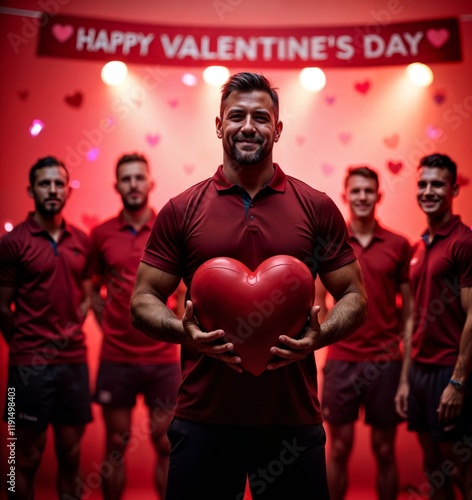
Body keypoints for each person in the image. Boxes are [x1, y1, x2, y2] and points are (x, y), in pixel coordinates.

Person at [129, 72, 367, 500]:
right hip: (204, 417)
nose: (248, 126)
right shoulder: (181, 209)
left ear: (277, 129)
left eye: (261, 117)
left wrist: (320, 336)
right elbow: (142, 299)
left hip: (291, 421)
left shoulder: (316, 207)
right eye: (236, 116)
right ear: (219, 125)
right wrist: (184, 332)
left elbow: (354, 296)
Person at [394, 153, 472, 499]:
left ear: (453, 189)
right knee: (433, 470)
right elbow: (411, 318)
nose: (428, 191)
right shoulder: (419, 246)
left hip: (449, 372)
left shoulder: (467, 245)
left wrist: (458, 381)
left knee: (461, 470)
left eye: (437, 184)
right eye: (422, 184)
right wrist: (406, 380)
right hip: (420, 372)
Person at [0, 156, 93, 499]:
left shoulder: (83, 241)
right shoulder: (13, 243)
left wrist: (68, 333)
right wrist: (25, 347)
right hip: (27, 369)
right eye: (44, 183)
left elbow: (86, 299)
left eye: (58, 183)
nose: (52, 190)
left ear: (67, 189)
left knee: (71, 456)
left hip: (74, 364)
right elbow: (1, 306)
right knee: (21, 458)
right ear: (31, 190)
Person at [317, 166, 412, 500]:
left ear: (378, 196)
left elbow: (410, 312)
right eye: (355, 191)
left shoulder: (400, 245)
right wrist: (328, 337)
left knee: (385, 451)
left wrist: (403, 366)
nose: (361, 197)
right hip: (342, 362)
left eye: (368, 191)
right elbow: (318, 306)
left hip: (386, 362)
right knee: (338, 449)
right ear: (345, 196)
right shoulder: (330, 244)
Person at [90, 153, 182, 500]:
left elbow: (185, 289)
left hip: (162, 359)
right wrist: (110, 327)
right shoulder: (100, 234)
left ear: (150, 183)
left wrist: (172, 327)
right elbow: (93, 291)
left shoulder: (169, 229)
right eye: (126, 179)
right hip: (117, 359)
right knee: (116, 443)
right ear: (117, 186)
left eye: (139, 178)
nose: (133, 184)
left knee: (166, 443)